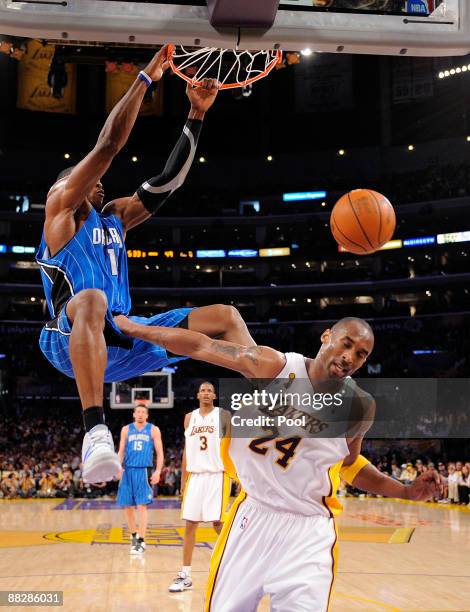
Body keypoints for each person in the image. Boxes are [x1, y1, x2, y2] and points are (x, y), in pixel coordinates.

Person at [115, 315, 443, 611]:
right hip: (253, 517)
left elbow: (348, 465)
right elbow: (202, 344)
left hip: (309, 531)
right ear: (326, 336)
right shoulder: (273, 366)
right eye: (347, 344)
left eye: (361, 354)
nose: (350, 357)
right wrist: (134, 328)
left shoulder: (359, 407)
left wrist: (405, 491)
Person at [36, 44, 254, 485]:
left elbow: (168, 184)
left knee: (225, 317)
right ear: (69, 185)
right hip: (68, 338)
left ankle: (269, 411)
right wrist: (145, 79)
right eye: (85, 175)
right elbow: (109, 144)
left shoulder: (114, 215)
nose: (97, 179)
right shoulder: (59, 211)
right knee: (92, 299)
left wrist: (196, 115)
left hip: (122, 335)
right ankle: (95, 429)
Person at [169, 381, 231, 593]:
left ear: (214, 396)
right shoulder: (189, 418)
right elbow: (187, 451)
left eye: (209, 391)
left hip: (217, 474)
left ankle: (235, 563)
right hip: (195, 476)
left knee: (217, 523)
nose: (206, 393)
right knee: (190, 525)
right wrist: (183, 481)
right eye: (202, 390)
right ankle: (185, 574)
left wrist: (239, 477)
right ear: (197, 395)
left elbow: (234, 446)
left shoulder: (223, 416)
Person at [116, 401, 163, 554]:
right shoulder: (126, 429)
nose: (141, 414)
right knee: (127, 506)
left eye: (143, 412)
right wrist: (118, 467)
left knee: (142, 506)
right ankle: (134, 536)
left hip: (144, 470)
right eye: (138, 412)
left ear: (147, 415)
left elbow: (160, 453)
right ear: (134, 414)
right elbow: (121, 451)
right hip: (128, 471)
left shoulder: (154, 430)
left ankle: (141, 541)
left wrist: (157, 471)